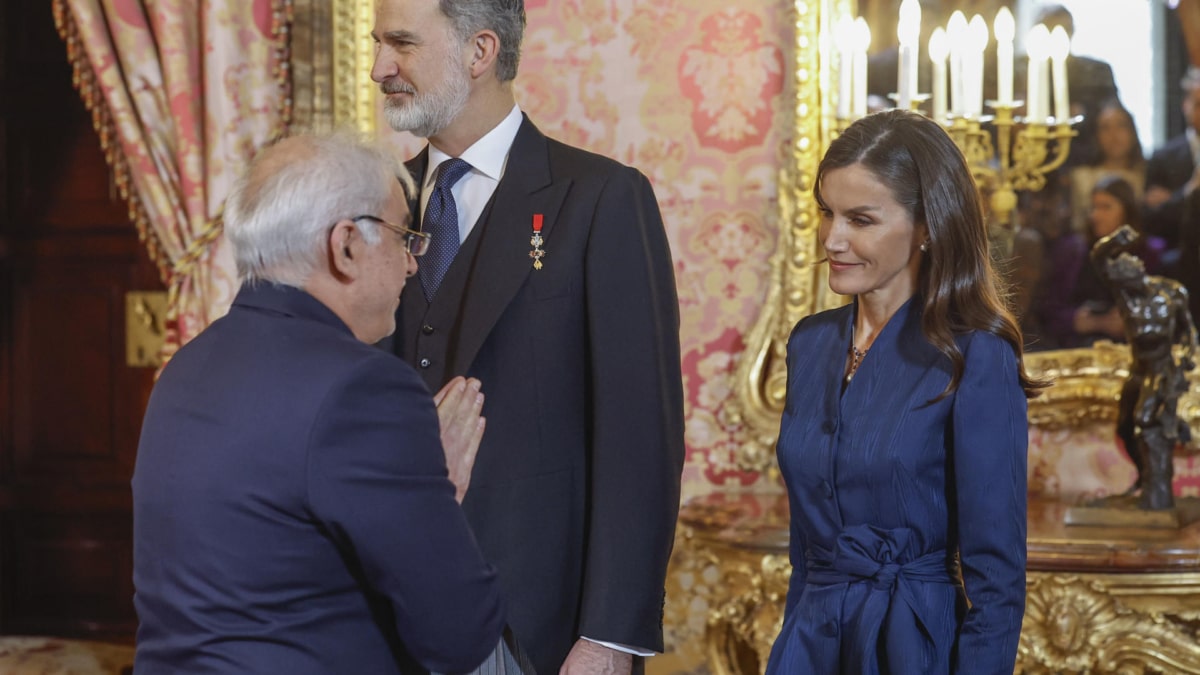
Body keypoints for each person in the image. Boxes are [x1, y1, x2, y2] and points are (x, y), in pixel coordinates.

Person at [369, 1, 686, 673]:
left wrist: (609, 636)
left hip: (535, 629)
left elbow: (639, 437)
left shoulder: (601, 198)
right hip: (380, 613)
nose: (379, 67)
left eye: (400, 44)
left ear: (480, 52)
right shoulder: (373, 206)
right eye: (376, 44)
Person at [131, 133, 506, 674]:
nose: (410, 266)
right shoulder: (364, 388)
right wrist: (437, 492)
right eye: (405, 238)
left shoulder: (186, 366)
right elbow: (458, 635)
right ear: (346, 244)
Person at [766, 109, 1044, 674]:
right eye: (827, 212)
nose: (833, 239)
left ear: (927, 227)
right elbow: (806, 549)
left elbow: (998, 581)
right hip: (809, 643)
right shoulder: (810, 343)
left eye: (861, 220)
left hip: (914, 644)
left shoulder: (976, 356)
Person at [1090, 225, 1198, 510]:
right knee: (1125, 427)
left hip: (1161, 369)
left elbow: (1189, 331)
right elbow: (1099, 259)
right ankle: (1143, 478)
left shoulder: (1171, 293)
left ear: (1139, 269)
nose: (1125, 269)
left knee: (1146, 421)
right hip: (1137, 370)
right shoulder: (1126, 298)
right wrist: (1113, 241)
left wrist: (1187, 355)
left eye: (1128, 264)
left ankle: (1157, 491)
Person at [1066, 176, 1167, 346]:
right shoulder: (1075, 250)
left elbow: (1162, 307)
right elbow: (1051, 307)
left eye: (1106, 207)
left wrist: (1133, 317)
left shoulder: (1152, 253)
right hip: (1081, 342)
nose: (1095, 215)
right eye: (1094, 207)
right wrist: (1078, 320)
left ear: (1127, 210)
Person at [1068, 98, 1147, 234]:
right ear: (1096, 135)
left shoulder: (1147, 176)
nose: (1113, 135)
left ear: (1132, 132)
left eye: (1121, 126)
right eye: (1105, 128)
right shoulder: (1081, 178)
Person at [1144, 66, 1200, 249]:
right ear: (1186, 105)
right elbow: (1153, 222)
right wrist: (1188, 190)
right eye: (1199, 104)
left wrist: (1170, 199)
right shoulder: (1163, 158)